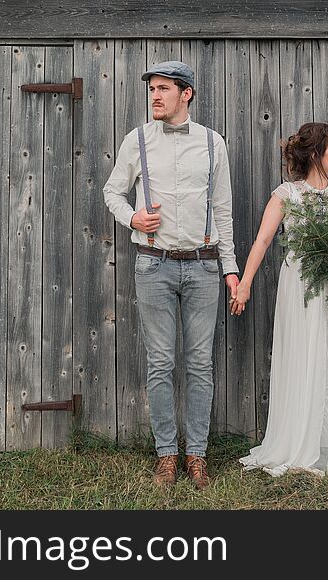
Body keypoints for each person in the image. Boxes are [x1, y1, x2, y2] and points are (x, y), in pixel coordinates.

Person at [103, 60, 239, 490]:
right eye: (153, 90)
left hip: (202, 264)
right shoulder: (137, 140)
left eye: (164, 89)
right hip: (154, 263)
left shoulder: (212, 144)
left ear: (187, 94)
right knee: (160, 363)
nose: (155, 96)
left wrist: (230, 268)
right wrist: (132, 218)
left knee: (200, 364)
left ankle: (196, 456)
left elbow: (223, 210)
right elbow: (112, 191)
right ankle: (166, 456)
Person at [231, 122, 328, 477]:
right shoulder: (287, 194)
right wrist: (245, 283)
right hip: (301, 288)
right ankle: (298, 442)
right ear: (317, 153)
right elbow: (262, 241)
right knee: (305, 357)